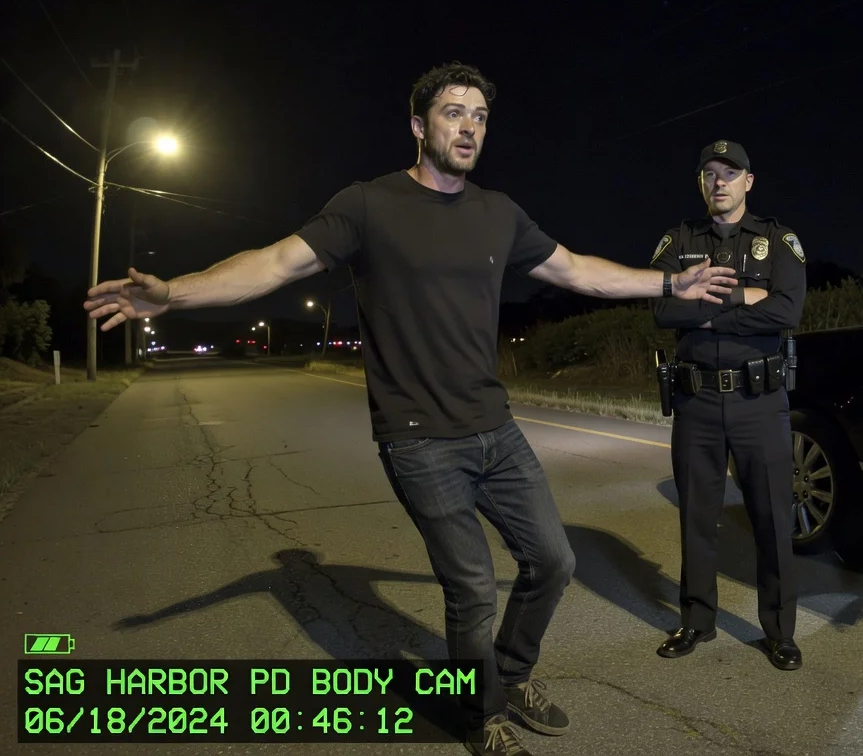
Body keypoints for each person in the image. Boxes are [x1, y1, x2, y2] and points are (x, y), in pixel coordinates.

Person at [83, 62, 737, 756]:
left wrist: (670, 283)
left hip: (495, 428)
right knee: (472, 588)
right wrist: (175, 293)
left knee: (553, 561)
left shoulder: (498, 212)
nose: (469, 127)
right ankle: (480, 715)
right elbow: (275, 263)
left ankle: (512, 675)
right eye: (454, 113)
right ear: (419, 126)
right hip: (419, 440)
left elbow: (575, 269)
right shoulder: (368, 205)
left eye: (480, 116)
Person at [649, 140, 806, 671]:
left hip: (759, 401)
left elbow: (788, 310)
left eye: (730, 173)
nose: (719, 182)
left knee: (772, 519)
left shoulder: (777, 240)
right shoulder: (678, 240)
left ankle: (779, 632)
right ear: (700, 182)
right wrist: (746, 299)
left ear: (748, 181)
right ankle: (697, 620)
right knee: (697, 516)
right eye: (710, 173)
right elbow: (661, 310)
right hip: (695, 401)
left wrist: (713, 306)